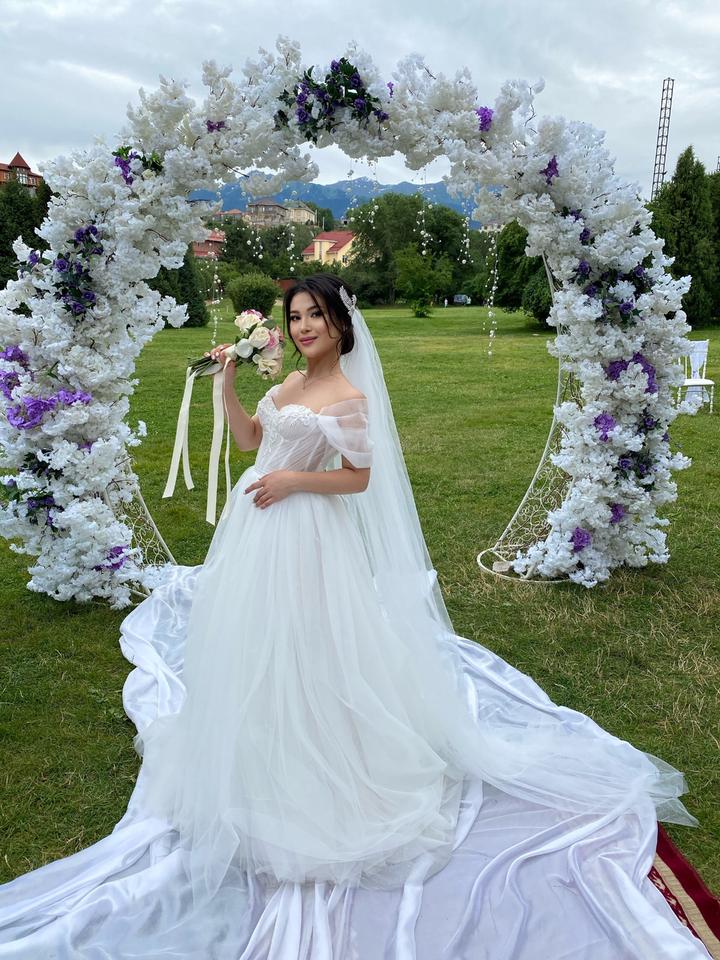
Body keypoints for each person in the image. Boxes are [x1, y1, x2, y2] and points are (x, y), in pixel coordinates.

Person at [0, 273, 711, 959]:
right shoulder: (289, 383)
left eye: (315, 315)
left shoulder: (346, 395)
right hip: (255, 529)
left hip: (307, 530)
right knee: (256, 639)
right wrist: (227, 382)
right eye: (295, 317)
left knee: (311, 642)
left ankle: (325, 757)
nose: (303, 327)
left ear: (341, 324)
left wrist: (292, 480)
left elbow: (359, 479)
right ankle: (257, 746)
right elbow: (249, 442)